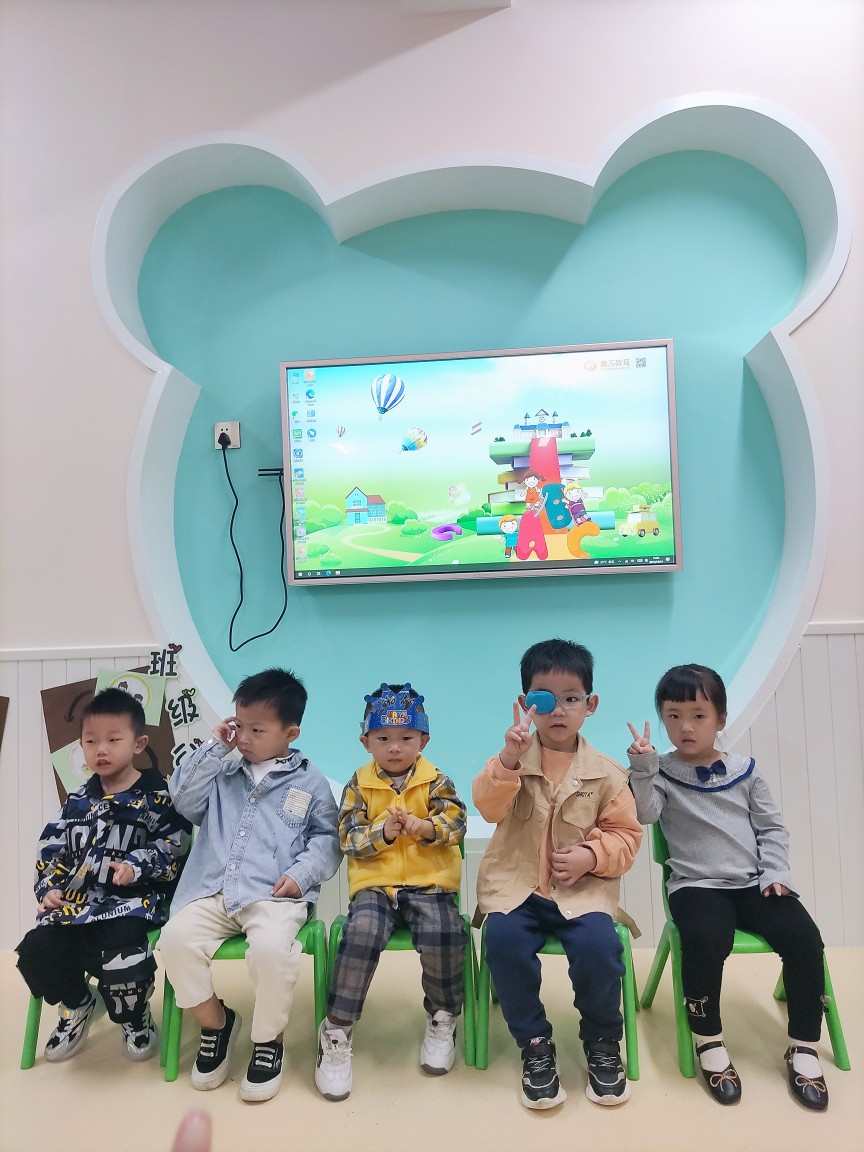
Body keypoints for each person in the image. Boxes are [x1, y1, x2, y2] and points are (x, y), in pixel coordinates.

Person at [627, 663, 829, 1111]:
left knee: (804, 938)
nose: (685, 726)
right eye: (673, 715)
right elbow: (645, 814)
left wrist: (776, 873)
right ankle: (709, 1038)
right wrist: (642, 767)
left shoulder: (746, 771)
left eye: (698, 715)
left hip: (755, 882)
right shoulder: (660, 770)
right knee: (704, 940)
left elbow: (772, 829)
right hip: (696, 885)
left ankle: (803, 1043)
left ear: (720, 718)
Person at [473, 639, 642, 1111]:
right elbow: (487, 807)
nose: (559, 710)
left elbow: (626, 837)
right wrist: (509, 760)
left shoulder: (608, 774)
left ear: (591, 704)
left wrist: (591, 856)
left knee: (599, 949)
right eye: (545, 700)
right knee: (502, 941)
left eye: (571, 698)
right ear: (527, 704)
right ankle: (534, 1044)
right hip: (517, 890)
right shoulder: (510, 761)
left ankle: (603, 1042)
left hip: (581, 894)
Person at [159, 668, 340, 1103]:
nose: (244, 737)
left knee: (273, 950)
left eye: (257, 730)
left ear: (290, 733)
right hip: (212, 890)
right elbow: (182, 799)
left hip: (273, 895)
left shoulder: (310, 781)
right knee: (175, 940)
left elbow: (327, 839)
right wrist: (213, 747)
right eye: (239, 725)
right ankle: (217, 1024)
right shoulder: (222, 772)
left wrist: (300, 875)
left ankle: (268, 1041)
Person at [16, 688, 191, 1064]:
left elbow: (175, 843)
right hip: (78, 904)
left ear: (138, 744)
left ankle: (133, 1016)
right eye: (91, 741)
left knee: (122, 953)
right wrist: (49, 888)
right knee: (37, 948)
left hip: (134, 903)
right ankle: (78, 1002)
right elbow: (51, 849)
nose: (101, 750)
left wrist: (137, 865)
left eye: (113, 740)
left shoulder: (157, 796)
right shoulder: (77, 801)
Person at [315, 683, 467, 1101]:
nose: (395, 747)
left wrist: (425, 828)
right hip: (376, 887)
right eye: (383, 738)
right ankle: (337, 1029)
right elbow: (347, 837)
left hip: (430, 885)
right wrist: (382, 832)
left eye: (405, 738)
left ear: (423, 741)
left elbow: (457, 824)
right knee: (361, 933)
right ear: (366, 742)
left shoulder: (436, 780)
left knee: (444, 932)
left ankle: (442, 1016)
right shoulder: (358, 784)